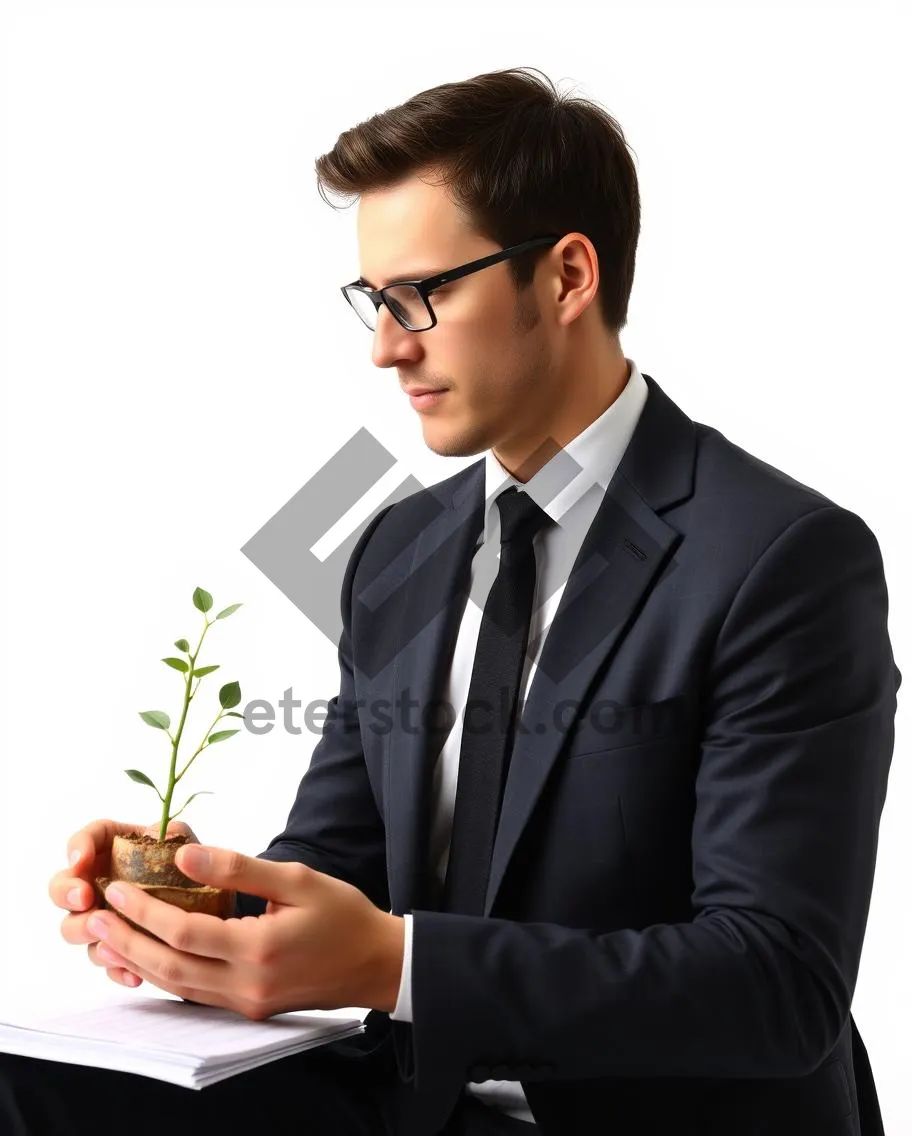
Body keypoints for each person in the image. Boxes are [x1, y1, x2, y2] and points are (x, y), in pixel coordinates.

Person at [1, 66, 900, 1136]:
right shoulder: (401, 545)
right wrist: (196, 900)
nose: (386, 346)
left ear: (567, 276)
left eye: (422, 294)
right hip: (405, 1103)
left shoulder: (783, 556)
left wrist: (396, 960)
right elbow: (339, 866)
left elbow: (776, 981)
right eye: (374, 302)